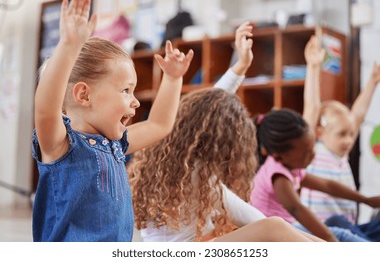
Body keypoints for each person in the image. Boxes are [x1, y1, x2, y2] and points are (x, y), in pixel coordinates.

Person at [128, 23, 323, 242]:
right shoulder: (201, 179)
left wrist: (241, 66)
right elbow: (261, 222)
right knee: (274, 227)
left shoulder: (170, 161)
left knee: (275, 228)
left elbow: (206, 109)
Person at [32, 0, 193, 242]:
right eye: (125, 90)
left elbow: (159, 125)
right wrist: (68, 47)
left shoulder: (116, 145)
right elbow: (45, 109)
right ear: (84, 95)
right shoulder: (61, 145)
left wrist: (172, 80)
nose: (136, 101)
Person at [250, 108, 380, 242]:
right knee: (339, 234)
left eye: (313, 148)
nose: (313, 155)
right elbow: (297, 209)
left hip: (288, 228)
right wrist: (330, 239)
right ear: (279, 157)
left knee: (337, 221)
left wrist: (366, 200)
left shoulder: (289, 166)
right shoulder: (278, 176)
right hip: (276, 236)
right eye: (306, 153)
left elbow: (327, 186)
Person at [299, 33, 380, 241]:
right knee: (338, 222)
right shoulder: (312, 152)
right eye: (342, 134)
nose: (348, 140)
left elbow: (358, 115)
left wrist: (372, 81)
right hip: (324, 231)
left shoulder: (341, 153)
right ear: (319, 133)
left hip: (352, 229)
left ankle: (366, 242)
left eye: (351, 134)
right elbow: (311, 107)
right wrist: (314, 67)